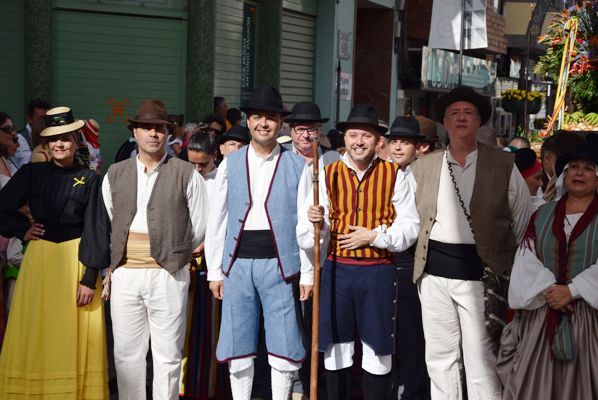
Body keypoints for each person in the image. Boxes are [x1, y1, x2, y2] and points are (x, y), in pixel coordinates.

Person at [410, 86, 532, 400]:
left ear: (479, 121)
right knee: (439, 358)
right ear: (445, 123)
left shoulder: (504, 165)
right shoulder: (422, 166)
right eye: (455, 113)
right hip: (433, 275)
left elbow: (523, 222)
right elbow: (410, 221)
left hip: (483, 276)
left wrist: (512, 273)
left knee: (482, 360)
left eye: (468, 113)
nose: (461, 118)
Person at [299, 104, 420, 400]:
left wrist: (375, 237)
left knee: (378, 349)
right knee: (336, 347)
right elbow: (305, 237)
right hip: (337, 270)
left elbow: (410, 226)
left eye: (366, 136)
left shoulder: (396, 175)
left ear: (378, 140)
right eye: (353, 135)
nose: (359, 142)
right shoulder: (325, 174)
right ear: (345, 138)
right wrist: (319, 222)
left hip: (379, 271)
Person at [205, 86, 311, 400]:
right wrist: (214, 271)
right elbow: (218, 221)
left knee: (283, 342)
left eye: (270, 118)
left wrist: (307, 273)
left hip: (281, 266)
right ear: (248, 122)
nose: (263, 123)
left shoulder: (298, 166)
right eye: (257, 117)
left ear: (282, 124)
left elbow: (307, 223)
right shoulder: (230, 164)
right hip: (236, 264)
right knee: (238, 341)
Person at [102, 99, 208, 400]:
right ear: (134, 132)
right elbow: (113, 218)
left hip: (169, 274)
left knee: (168, 356)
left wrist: (174, 254)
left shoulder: (187, 172)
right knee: (126, 356)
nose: (153, 134)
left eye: (160, 128)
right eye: (146, 128)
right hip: (125, 274)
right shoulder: (115, 173)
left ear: (168, 133)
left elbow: (199, 224)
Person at [0, 106, 109, 398]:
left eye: (66, 138)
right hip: (40, 261)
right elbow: (3, 206)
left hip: (77, 261)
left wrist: (89, 278)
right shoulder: (31, 173)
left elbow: (97, 229)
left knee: (72, 334)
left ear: (76, 140)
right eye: (53, 139)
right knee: (37, 330)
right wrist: (21, 228)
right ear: (46, 144)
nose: (60, 144)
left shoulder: (90, 179)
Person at [497, 142, 598, 400]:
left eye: (588, 169)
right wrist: (550, 290)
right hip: (544, 311)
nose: (579, 173)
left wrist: (573, 290)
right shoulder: (543, 214)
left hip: (589, 318)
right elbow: (526, 258)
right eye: (573, 167)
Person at [386, 116, 431, 400]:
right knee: (386, 334)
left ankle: (414, 391)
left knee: (412, 334)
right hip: (383, 259)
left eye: (406, 142)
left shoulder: (424, 175)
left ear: (419, 147)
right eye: (395, 142)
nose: (399, 147)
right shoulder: (383, 172)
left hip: (416, 262)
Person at [284, 101, 340, 166]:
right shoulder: (279, 154)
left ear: (319, 130)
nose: (306, 135)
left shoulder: (334, 159)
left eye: (311, 129)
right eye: (300, 129)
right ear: (291, 129)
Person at [11, 98, 50, 169]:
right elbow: (26, 165)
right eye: (41, 118)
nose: (45, 122)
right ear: (29, 119)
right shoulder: (20, 139)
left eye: (47, 118)